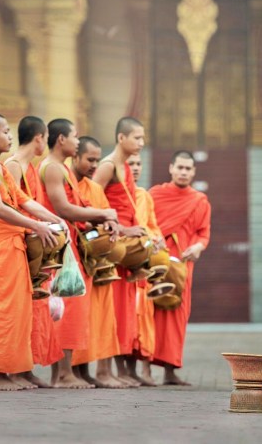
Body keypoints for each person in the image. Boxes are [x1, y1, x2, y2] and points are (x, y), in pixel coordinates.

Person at [0, 113, 61, 391]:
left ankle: (19, 370)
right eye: (6, 131)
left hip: (14, 246)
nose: (10, 136)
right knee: (1, 311)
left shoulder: (1, 167)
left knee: (20, 312)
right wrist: (35, 226)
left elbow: (23, 200)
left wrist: (54, 221)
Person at [37, 118, 118, 389]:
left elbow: (76, 208)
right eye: (74, 136)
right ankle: (62, 374)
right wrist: (102, 213)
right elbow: (63, 208)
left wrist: (99, 221)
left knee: (70, 309)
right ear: (61, 139)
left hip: (70, 246)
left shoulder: (62, 169)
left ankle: (63, 373)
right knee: (64, 308)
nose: (76, 141)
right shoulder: (51, 168)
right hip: (59, 250)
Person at [3, 115, 65, 388]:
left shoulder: (30, 167)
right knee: (18, 312)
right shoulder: (14, 166)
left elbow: (30, 203)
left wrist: (54, 222)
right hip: (17, 245)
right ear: (40, 137)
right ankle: (13, 370)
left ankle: (26, 368)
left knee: (35, 312)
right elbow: (11, 207)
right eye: (45, 138)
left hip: (33, 244)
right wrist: (37, 227)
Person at [70, 136, 128, 389]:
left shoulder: (93, 188)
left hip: (99, 262)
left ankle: (100, 371)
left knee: (104, 317)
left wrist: (111, 226)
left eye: (97, 159)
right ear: (75, 156)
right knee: (78, 316)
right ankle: (77, 371)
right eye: (90, 159)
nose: (95, 164)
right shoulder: (67, 182)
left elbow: (106, 213)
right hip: (76, 258)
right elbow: (66, 212)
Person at [93, 117, 147, 387]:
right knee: (107, 311)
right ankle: (102, 371)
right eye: (137, 137)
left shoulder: (124, 167)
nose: (141, 143)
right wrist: (123, 231)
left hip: (125, 251)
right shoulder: (107, 166)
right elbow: (91, 202)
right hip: (111, 246)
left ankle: (111, 370)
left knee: (121, 313)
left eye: (142, 138)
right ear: (121, 138)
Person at [149, 151, 211, 386]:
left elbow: (204, 233)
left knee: (178, 315)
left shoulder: (199, 200)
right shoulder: (155, 194)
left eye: (188, 169)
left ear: (194, 172)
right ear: (171, 168)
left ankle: (170, 370)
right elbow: (145, 223)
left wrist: (198, 247)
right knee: (151, 311)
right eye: (180, 168)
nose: (184, 172)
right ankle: (144, 369)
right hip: (157, 262)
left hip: (183, 265)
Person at [126, 153, 165, 386]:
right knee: (128, 319)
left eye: (139, 163)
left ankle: (146, 370)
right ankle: (127, 370)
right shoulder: (116, 192)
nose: (136, 168)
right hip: (127, 263)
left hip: (145, 265)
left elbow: (152, 225)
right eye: (131, 164)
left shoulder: (144, 196)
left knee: (146, 319)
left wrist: (157, 238)